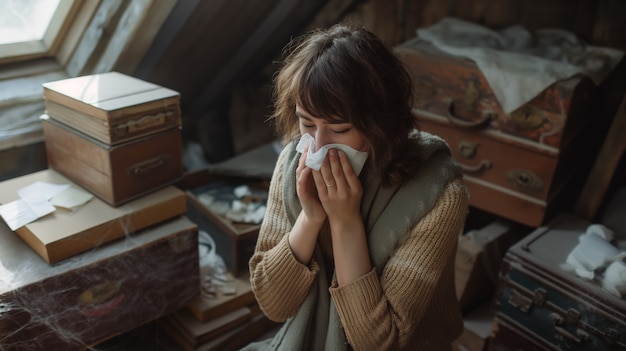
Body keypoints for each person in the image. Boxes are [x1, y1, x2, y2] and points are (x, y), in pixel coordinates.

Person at [245, 22, 469, 351]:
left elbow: (378, 343)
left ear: (380, 126)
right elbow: (275, 306)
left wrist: (346, 220)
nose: (318, 146)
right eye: (307, 122)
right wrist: (311, 217)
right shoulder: (294, 160)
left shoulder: (440, 194)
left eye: (339, 128)